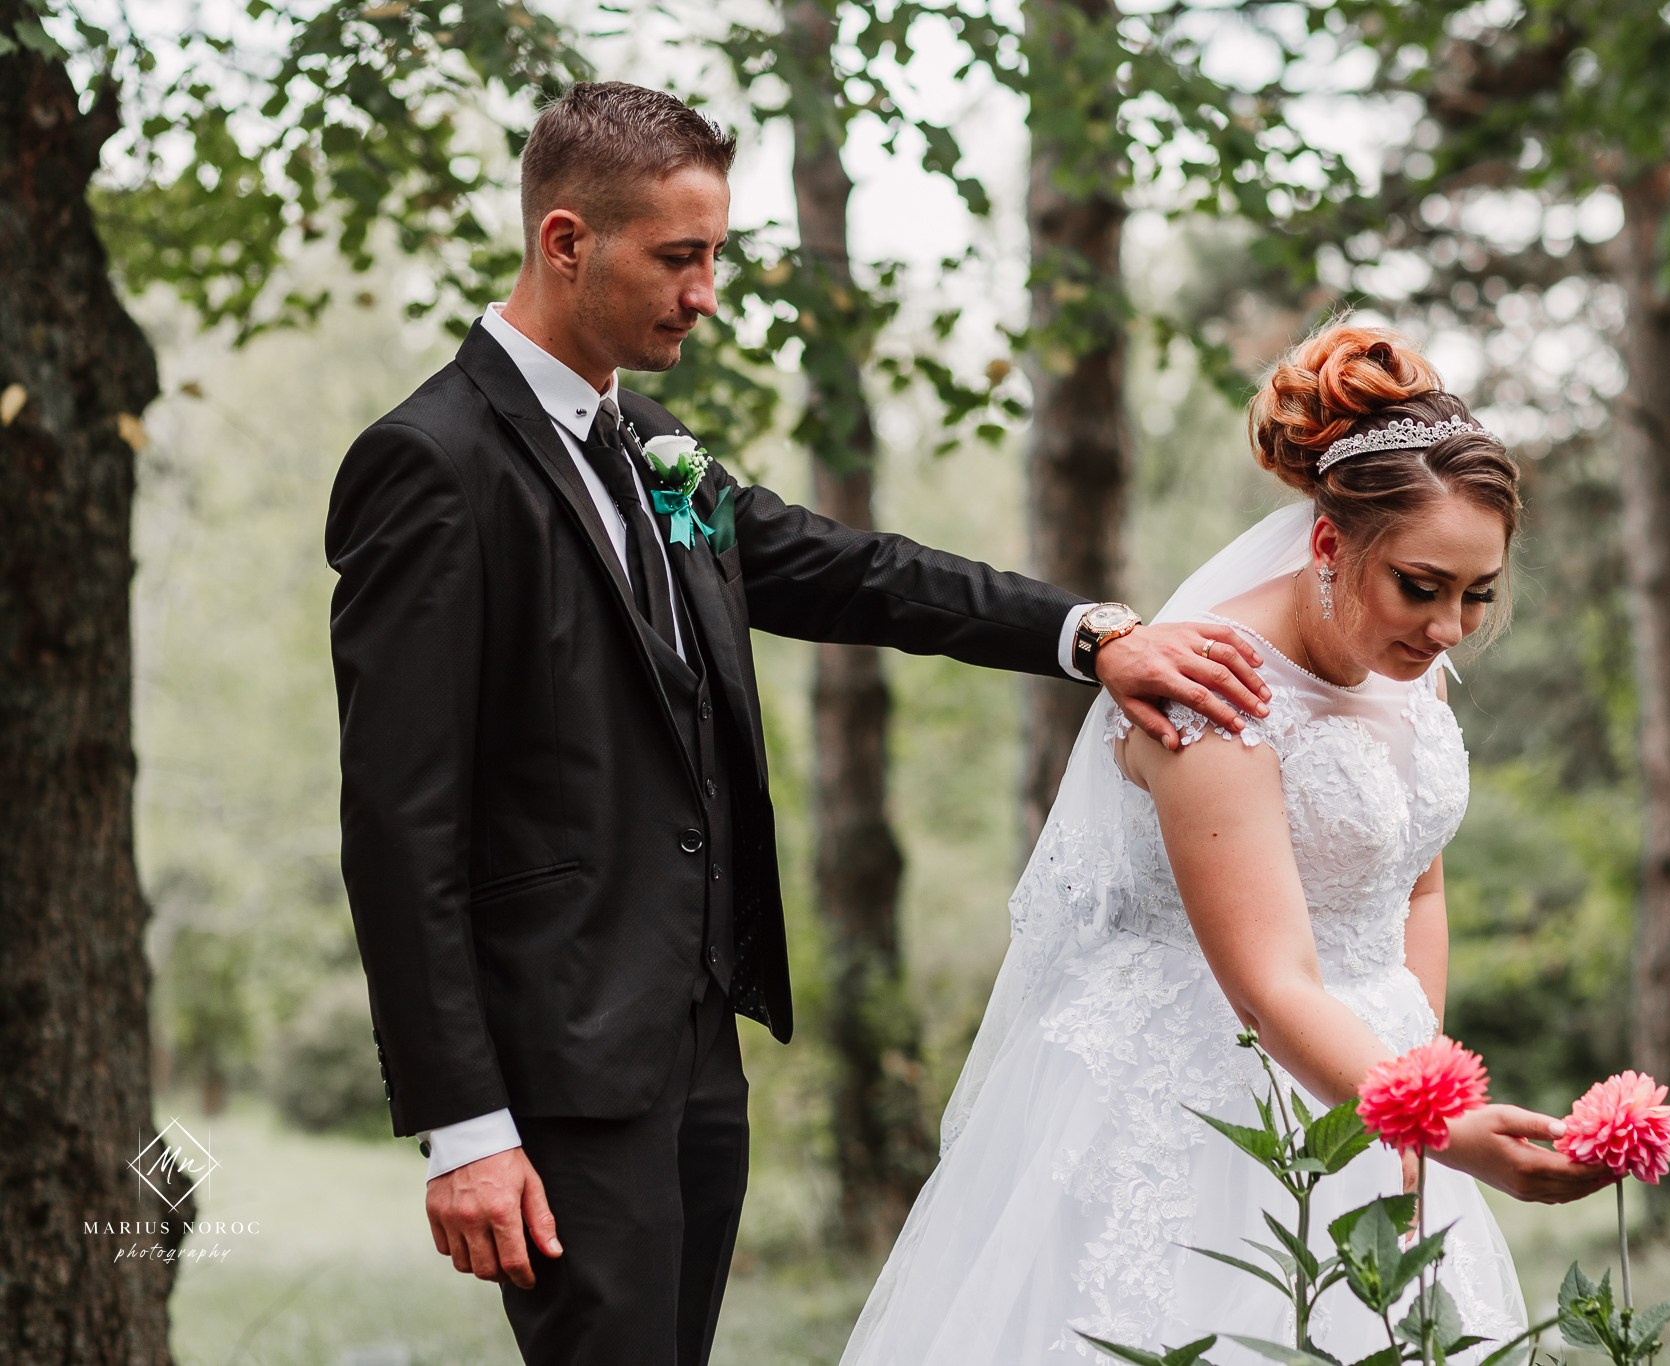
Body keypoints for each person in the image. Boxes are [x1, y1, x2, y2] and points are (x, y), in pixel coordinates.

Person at [325, 81, 1270, 1366]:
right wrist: (466, 1127)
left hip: (695, 1048)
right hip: (556, 1066)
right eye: (679, 257)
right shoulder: (430, 463)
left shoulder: (648, 440)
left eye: (714, 255)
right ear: (564, 240)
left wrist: (1088, 634)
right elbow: (399, 824)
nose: (705, 293)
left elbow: (840, 569)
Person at [841, 323, 1615, 1364]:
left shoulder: (1408, 665)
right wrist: (1432, 1124)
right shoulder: (1215, 694)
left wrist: (1419, 1063)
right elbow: (1270, 984)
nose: (1448, 629)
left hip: (1372, 1069)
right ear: (1330, 547)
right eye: (1421, 586)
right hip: (1200, 1081)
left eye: (1477, 594)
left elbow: (1412, 887)